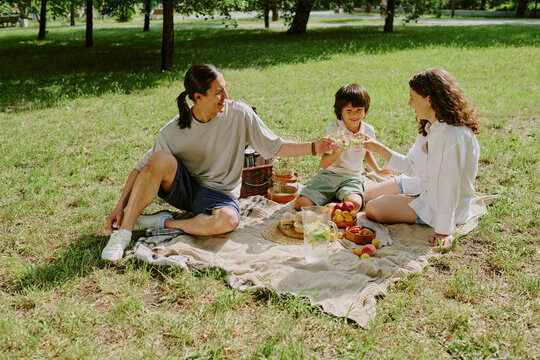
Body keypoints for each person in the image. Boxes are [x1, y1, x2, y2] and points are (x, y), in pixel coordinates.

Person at [102, 63, 338, 263]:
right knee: (159, 159)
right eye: (218, 92)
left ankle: (166, 222)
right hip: (184, 187)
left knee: (229, 220)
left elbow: (274, 146)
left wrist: (314, 147)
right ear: (198, 97)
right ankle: (123, 234)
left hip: (220, 194)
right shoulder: (173, 131)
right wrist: (119, 208)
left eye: (225, 90)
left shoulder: (240, 114)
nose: (226, 97)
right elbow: (142, 169)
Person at [362, 68, 481, 247]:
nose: (409, 104)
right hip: (422, 183)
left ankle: (415, 204)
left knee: (372, 209)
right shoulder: (430, 126)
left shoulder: (453, 136)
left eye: (412, 98)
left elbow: (450, 185)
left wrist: (443, 230)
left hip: (438, 203)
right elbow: (411, 165)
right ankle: (408, 197)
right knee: (367, 195)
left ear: (429, 99)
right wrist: (377, 147)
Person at [294, 84, 391, 212]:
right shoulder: (334, 129)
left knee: (354, 205)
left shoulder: (368, 130)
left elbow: (366, 152)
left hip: (352, 177)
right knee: (301, 204)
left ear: (365, 109)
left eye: (358, 110)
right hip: (328, 175)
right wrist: (338, 150)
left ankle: (334, 204)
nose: (354, 115)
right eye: (349, 110)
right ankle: (329, 207)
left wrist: (378, 170)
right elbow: (324, 164)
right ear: (340, 111)